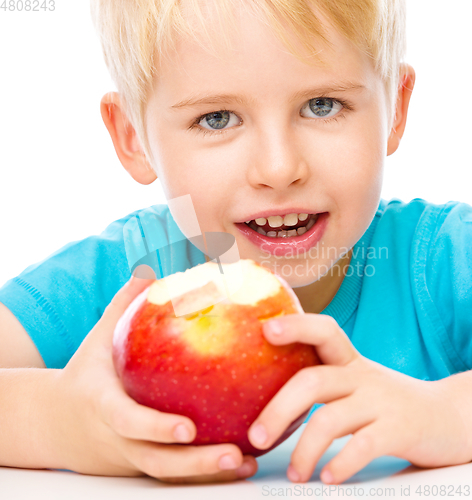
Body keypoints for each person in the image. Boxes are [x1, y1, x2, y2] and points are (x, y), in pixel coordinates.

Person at [1, 0, 472, 486]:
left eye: (322, 105)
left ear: (395, 107)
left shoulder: (444, 258)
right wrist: (52, 421)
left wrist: (449, 414)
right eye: (218, 118)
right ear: (133, 137)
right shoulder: (125, 276)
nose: (278, 168)